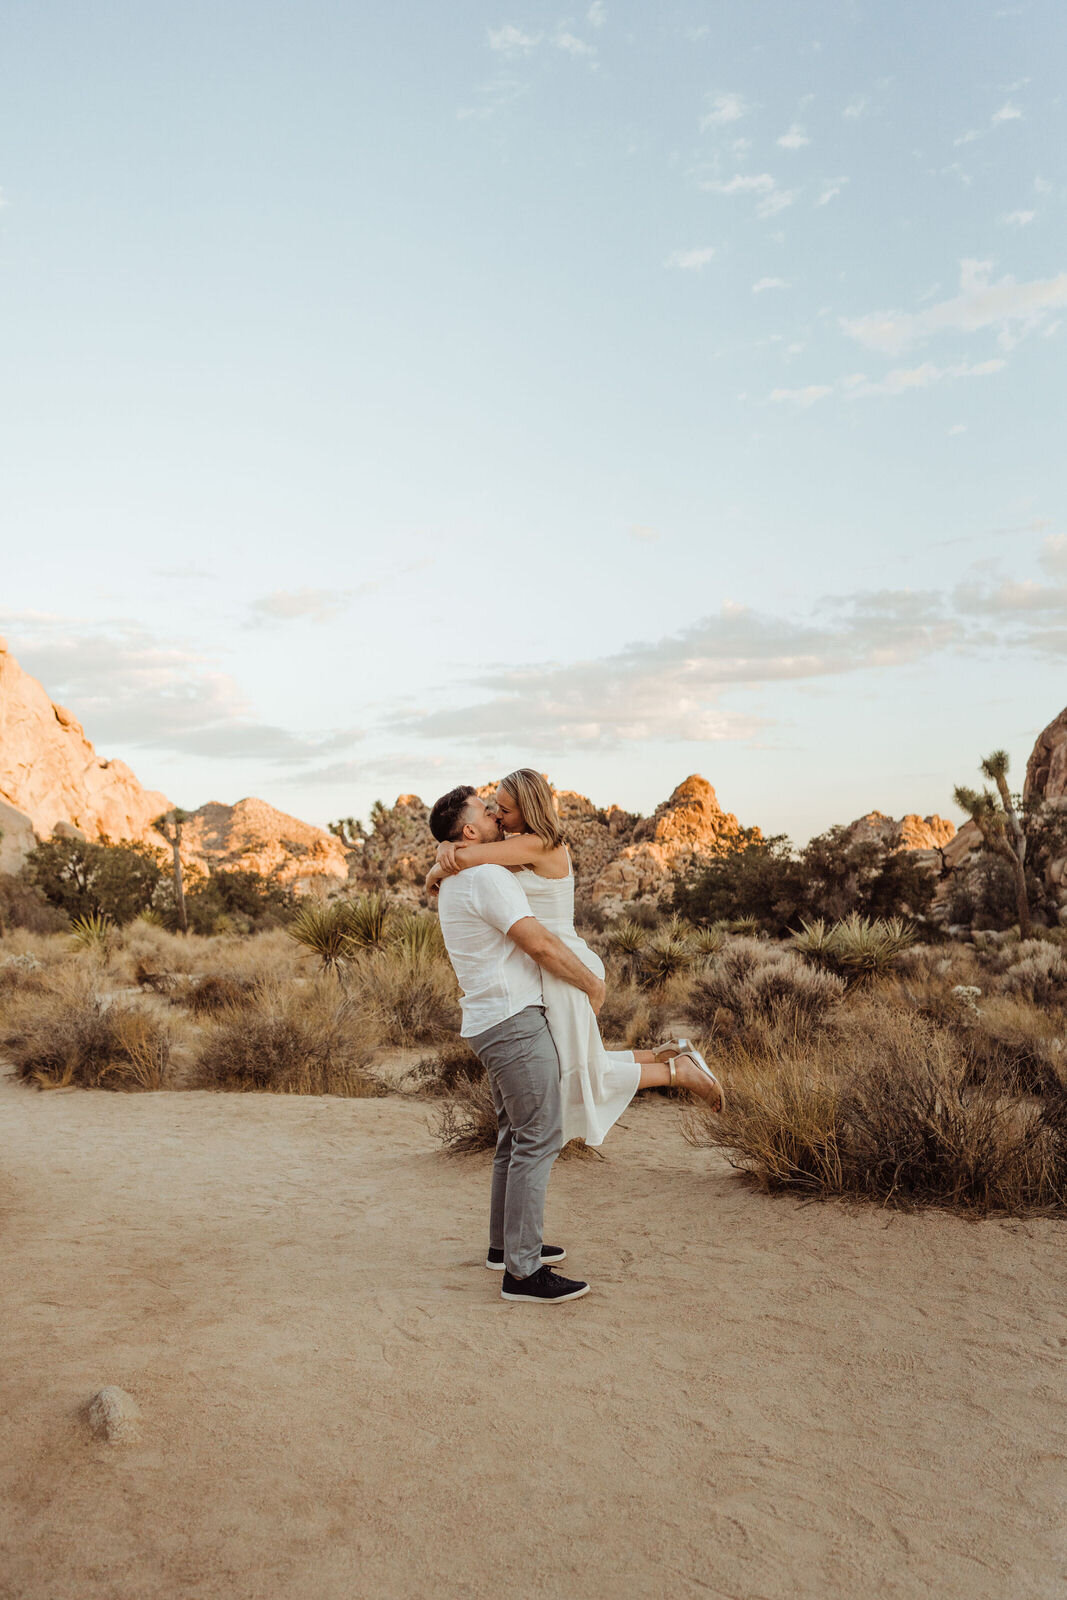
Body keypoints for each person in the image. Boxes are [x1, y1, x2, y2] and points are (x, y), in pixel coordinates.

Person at [426, 768, 726, 1154]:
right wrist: (443, 857)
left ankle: (677, 1072)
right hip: (556, 967)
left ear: (527, 809)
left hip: (564, 966)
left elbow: (466, 859)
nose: (498, 817)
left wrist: (443, 855)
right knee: (581, 1062)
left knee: (583, 1073)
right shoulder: (519, 847)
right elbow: (465, 861)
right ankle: (666, 1055)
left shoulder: (538, 845)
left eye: (503, 810)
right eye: (493, 810)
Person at [429, 782, 606, 1306]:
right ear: (470, 831)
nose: (492, 812)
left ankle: (505, 1249)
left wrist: (443, 861)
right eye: (485, 811)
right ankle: (523, 1273)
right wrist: (592, 984)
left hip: (489, 1019)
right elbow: (541, 944)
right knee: (538, 1134)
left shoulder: (466, 876)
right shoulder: (486, 876)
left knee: (514, 1133)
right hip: (512, 1021)